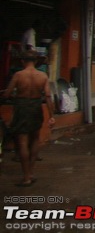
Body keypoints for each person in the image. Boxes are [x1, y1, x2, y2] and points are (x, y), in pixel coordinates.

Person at [3, 51, 55, 186]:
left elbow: (7, 94)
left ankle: (26, 177)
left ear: (22, 61)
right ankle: (31, 173)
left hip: (21, 106)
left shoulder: (18, 75)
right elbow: (48, 97)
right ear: (36, 61)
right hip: (36, 106)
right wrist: (51, 116)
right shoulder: (43, 76)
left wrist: (12, 96)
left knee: (22, 141)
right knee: (35, 138)